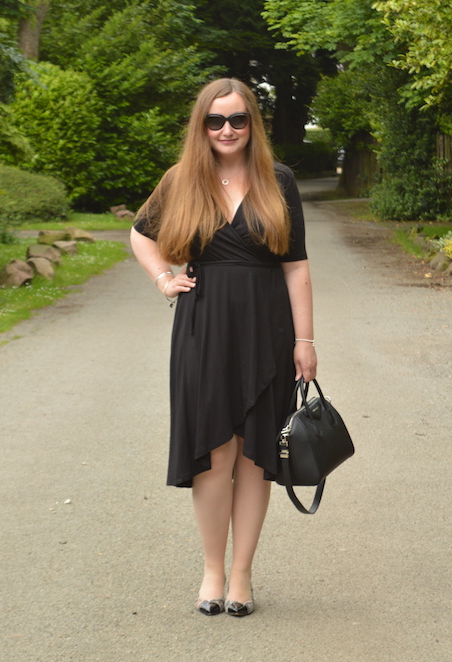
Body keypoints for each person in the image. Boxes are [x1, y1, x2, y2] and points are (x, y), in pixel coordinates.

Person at [130, 78, 316, 617]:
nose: (227, 130)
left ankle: (242, 576)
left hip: (268, 330)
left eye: (237, 119)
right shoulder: (182, 179)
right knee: (214, 455)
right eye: (215, 121)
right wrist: (164, 279)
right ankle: (212, 570)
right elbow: (142, 234)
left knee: (256, 456)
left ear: (252, 123)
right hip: (203, 328)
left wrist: (305, 340)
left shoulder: (278, 180)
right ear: (201, 126)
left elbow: (297, 265)